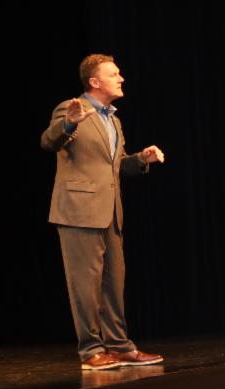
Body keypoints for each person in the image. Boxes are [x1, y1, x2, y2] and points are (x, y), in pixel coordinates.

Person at [41, 54, 165, 371]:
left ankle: (120, 347)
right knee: (85, 284)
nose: (121, 78)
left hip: (110, 211)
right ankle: (91, 351)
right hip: (79, 210)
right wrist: (69, 122)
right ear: (95, 81)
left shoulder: (114, 121)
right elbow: (49, 141)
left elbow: (116, 166)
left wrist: (141, 159)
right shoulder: (71, 108)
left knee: (113, 283)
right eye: (114, 74)